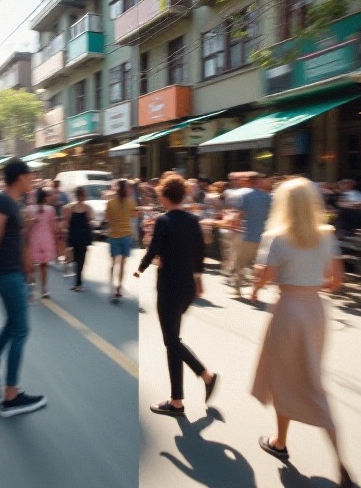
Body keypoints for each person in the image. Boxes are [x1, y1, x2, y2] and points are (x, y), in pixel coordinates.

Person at [249, 177, 355, 488]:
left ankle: (292, 445)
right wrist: (312, 281)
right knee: (309, 377)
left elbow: (264, 276)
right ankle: (311, 451)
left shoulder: (277, 237)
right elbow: (336, 281)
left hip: (288, 310)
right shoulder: (326, 236)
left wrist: (258, 285)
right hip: (316, 311)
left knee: (287, 376)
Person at [135, 173, 218, 417]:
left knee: (171, 341)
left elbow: (153, 249)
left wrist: (140, 268)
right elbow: (200, 251)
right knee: (173, 341)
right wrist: (199, 277)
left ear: (162, 195)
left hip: (169, 287)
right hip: (187, 289)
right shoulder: (194, 220)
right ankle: (177, 402)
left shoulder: (163, 221)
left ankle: (205, 374)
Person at [0, 159, 46, 417]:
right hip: (6, 274)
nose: (33, 180)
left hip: (12, 274)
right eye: (30, 176)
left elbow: (20, 242)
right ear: (19, 178)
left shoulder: (14, 205)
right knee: (21, 330)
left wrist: (28, 274)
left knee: (10, 326)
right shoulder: (2, 202)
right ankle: (11, 395)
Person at [231, 173, 272, 300]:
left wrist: (234, 227)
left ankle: (237, 290)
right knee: (259, 265)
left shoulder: (244, 195)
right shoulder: (268, 197)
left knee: (240, 264)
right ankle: (255, 291)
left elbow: (238, 215)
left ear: (249, 182)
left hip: (247, 234)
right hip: (263, 235)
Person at [105, 179, 138, 302]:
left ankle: (112, 288)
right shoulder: (131, 203)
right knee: (123, 264)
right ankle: (118, 288)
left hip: (113, 235)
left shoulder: (110, 203)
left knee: (114, 263)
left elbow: (107, 218)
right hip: (126, 235)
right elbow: (134, 216)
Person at [26, 187, 58, 299]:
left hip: (34, 239)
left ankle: (30, 287)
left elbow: (27, 227)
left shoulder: (29, 209)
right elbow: (53, 227)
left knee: (32, 266)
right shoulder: (50, 209)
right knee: (44, 266)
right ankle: (43, 290)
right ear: (45, 198)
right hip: (46, 239)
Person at [64, 186, 94, 292]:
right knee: (81, 258)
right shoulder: (88, 208)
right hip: (84, 235)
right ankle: (78, 282)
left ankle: (78, 282)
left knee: (76, 258)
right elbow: (90, 219)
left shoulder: (70, 207)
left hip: (74, 234)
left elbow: (66, 222)